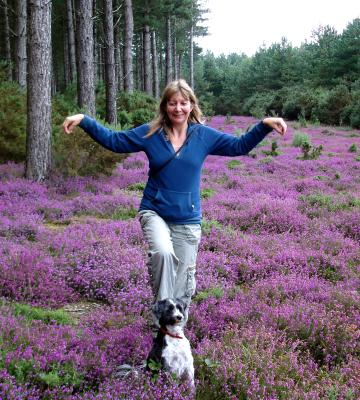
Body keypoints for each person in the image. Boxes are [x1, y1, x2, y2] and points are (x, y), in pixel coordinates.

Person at [63, 79, 287, 326]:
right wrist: (85, 120)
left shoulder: (203, 135)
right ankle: (161, 316)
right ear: (165, 106)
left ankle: (174, 332)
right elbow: (115, 141)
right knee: (162, 253)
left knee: (183, 282)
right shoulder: (151, 133)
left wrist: (264, 125)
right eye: (172, 103)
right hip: (154, 210)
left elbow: (239, 146)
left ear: (192, 105)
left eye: (183, 103)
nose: (178, 108)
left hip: (187, 219)